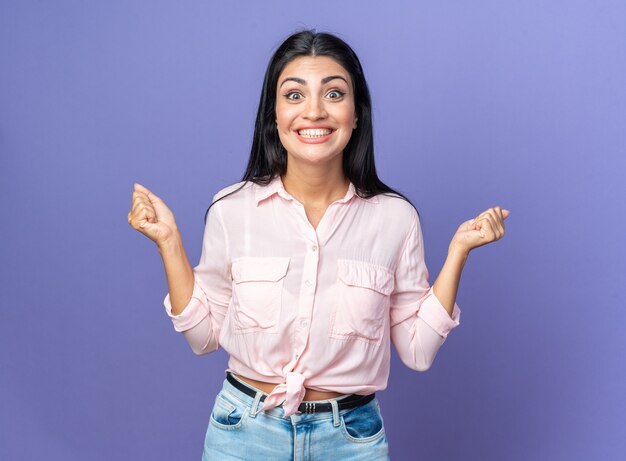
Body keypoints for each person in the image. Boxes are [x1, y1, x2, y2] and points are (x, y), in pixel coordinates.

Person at [128, 30, 509, 461]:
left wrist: (458, 250)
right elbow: (203, 337)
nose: (314, 111)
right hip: (244, 434)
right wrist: (169, 243)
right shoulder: (231, 209)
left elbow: (418, 352)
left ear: (356, 113)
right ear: (273, 115)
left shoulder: (395, 218)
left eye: (333, 93)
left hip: (350, 440)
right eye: (294, 95)